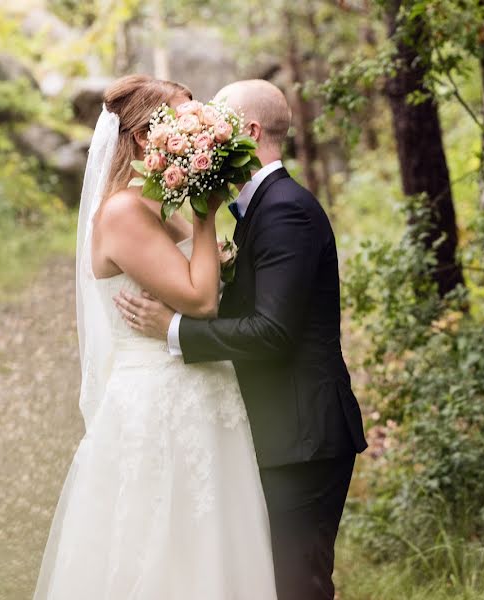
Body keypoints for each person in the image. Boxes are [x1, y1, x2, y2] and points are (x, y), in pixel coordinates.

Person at [114, 79, 368, 600]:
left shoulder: (285, 210)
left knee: (298, 586)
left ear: (249, 133)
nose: (205, 134)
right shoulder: (261, 209)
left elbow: (272, 333)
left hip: (304, 438)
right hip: (282, 434)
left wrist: (174, 330)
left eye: (215, 125)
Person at [31, 74, 277, 600]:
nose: (200, 125)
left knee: (211, 548)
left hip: (200, 388)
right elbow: (201, 298)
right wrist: (208, 218)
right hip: (159, 400)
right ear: (146, 138)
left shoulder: (156, 206)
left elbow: (212, 275)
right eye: (187, 116)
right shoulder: (122, 213)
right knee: (156, 549)